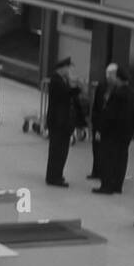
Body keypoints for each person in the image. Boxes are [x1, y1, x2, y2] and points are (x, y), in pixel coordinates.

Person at [94, 66, 134, 195]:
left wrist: (101, 130)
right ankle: (117, 185)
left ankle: (106, 186)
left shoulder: (117, 94)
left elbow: (109, 114)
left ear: (118, 79)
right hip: (126, 133)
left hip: (112, 133)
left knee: (108, 159)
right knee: (121, 158)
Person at [44, 56, 83, 187]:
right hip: (58, 122)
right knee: (58, 151)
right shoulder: (56, 81)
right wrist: (79, 87)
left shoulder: (61, 80)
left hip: (62, 122)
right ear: (63, 68)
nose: (69, 71)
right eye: (68, 68)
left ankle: (57, 174)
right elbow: (66, 95)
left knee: (61, 151)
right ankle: (54, 177)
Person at [89, 61, 118, 182]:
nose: (108, 76)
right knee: (96, 148)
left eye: (111, 74)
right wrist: (93, 121)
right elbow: (96, 105)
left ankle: (105, 172)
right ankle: (96, 171)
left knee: (106, 149)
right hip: (98, 120)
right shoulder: (101, 86)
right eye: (107, 73)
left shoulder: (118, 88)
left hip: (109, 124)